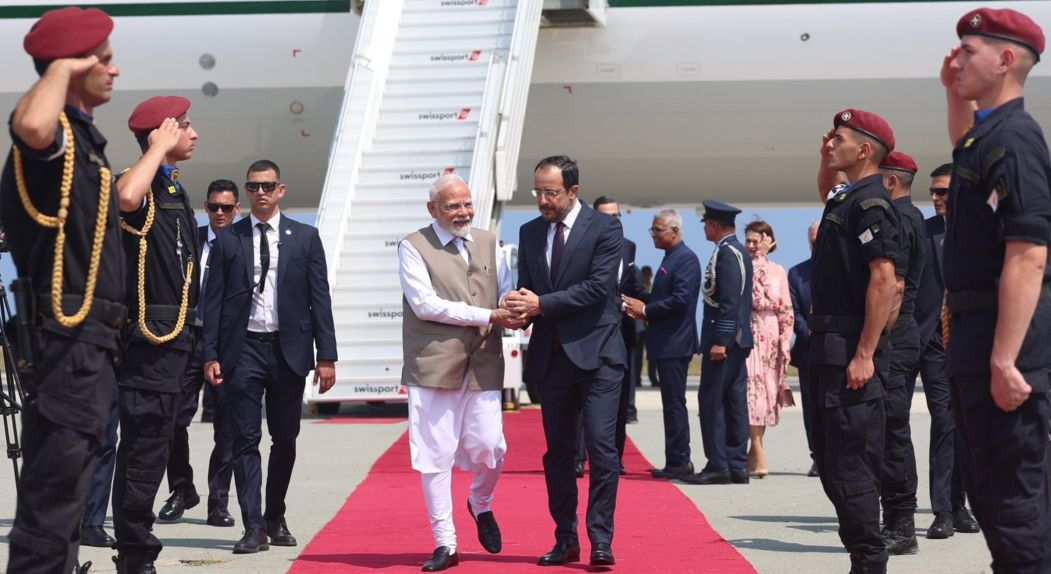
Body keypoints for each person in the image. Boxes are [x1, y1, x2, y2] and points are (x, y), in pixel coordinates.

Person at [1, 8, 126, 573]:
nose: (114, 70)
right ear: (72, 66)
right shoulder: (52, 140)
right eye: (104, 59)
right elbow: (31, 126)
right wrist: (60, 67)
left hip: (87, 344)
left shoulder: (82, 143)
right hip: (65, 342)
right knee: (51, 505)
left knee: (67, 496)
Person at [940, 8, 1051, 572]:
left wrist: (1005, 360)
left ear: (1006, 60)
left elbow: (1028, 254)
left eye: (969, 51)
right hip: (975, 338)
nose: (956, 60)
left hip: (1003, 345)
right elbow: (963, 143)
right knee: (989, 494)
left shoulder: (1016, 140)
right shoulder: (984, 138)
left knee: (1014, 505)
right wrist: (951, 90)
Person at [202, 159, 338, 553]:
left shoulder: (305, 238)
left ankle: (275, 514)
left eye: (267, 186)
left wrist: (326, 356)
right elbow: (213, 303)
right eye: (253, 186)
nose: (260, 192)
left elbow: (319, 298)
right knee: (245, 438)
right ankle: (254, 526)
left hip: (288, 349)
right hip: (243, 348)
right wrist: (210, 353)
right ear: (246, 192)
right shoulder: (229, 239)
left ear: (280, 190)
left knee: (286, 437)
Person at [506, 155, 625, 567]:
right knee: (558, 455)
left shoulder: (605, 228)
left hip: (598, 356)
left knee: (602, 449)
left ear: (573, 192)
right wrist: (517, 305)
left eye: (550, 192)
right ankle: (565, 538)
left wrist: (541, 304)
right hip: (552, 358)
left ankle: (601, 539)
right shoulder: (529, 232)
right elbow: (528, 287)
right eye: (537, 191)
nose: (542, 200)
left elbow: (598, 287)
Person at [399, 174, 520, 571]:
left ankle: (480, 502)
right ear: (432, 209)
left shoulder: (488, 242)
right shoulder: (413, 246)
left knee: (491, 446)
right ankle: (445, 543)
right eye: (453, 206)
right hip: (434, 365)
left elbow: (504, 289)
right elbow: (425, 305)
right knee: (435, 455)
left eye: (467, 204)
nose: (463, 212)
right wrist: (489, 315)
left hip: (483, 361)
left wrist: (514, 305)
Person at [110, 95, 201, 573]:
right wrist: (156, 149)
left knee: (155, 442)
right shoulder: (139, 182)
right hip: (150, 342)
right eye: (183, 126)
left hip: (175, 339)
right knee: (143, 447)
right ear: (160, 133)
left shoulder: (172, 188)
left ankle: (136, 549)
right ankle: (135, 554)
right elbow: (125, 198)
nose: (193, 133)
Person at [813, 108, 902, 573]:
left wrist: (865, 353)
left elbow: (884, 280)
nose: (831, 144)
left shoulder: (872, 205)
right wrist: (825, 155)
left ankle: (870, 559)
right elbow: (825, 190)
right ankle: (860, 555)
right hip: (826, 347)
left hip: (850, 347)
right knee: (830, 460)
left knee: (851, 464)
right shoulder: (846, 199)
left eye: (839, 139)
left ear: (864, 150)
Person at [158, 179, 241, 527]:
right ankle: (182, 488)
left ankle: (218, 502)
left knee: (227, 425)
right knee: (172, 419)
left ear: (237, 209)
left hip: (228, 342)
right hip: (189, 338)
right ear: (205, 208)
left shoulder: (245, 244)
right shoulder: (191, 239)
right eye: (213, 207)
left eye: (226, 208)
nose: (219, 213)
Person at [915, 163, 978, 539]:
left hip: (972, 343)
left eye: (942, 192)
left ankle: (959, 503)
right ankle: (941, 510)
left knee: (965, 425)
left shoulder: (985, 234)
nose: (935, 198)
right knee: (944, 420)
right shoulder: (922, 233)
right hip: (934, 342)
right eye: (933, 191)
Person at [622, 209, 700, 481]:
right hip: (666, 342)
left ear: (675, 231)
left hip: (676, 343)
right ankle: (675, 459)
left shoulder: (685, 259)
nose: (653, 235)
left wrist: (646, 310)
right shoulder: (671, 257)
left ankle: (680, 460)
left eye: (658, 230)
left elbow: (680, 300)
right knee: (670, 405)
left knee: (675, 405)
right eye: (652, 230)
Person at [681, 200, 753, 486]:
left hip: (726, 341)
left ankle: (719, 464)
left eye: (706, 225)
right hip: (736, 339)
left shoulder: (727, 253)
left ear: (713, 225)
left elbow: (729, 302)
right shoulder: (734, 250)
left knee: (712, 401)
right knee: (733, 401)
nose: (704, 230)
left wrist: (721, 340)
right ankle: (736, 464)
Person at [877, 151, 926, 555]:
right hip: (898, 334)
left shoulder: (900, 220)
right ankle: (893, 519)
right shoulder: (911, 217)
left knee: (892, 431)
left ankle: (901, 525)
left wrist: (874, 338)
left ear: (891, 182)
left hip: (893, 336)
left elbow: (894, 287)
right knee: (886, 430)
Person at [575, 195, 644, 478]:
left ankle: (615, 457)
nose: (613, 221)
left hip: (622, 333)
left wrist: (646, 306)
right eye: (607, 216)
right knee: (584, 398)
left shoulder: (629, 247)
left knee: (620, 398)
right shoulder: (584, 245)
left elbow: (633, 286)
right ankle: (578, 457)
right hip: (591, 331)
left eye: (616, 216)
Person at [742, 220, 794, 479]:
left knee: (767, 392)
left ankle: (756, 448)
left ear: (768, 241)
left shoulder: (778, 271)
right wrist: (757, 257)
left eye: (756, 240)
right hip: (749, 330)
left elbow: (786, 308)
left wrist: (785, 342)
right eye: (748, 241)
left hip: (771, 334)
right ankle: (758, 449)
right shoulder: (743, 267)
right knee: (752, 390)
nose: (752, 245)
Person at [788, 221, 820, 478]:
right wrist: (807, 331)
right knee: (811, 407)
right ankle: (817, 456)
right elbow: (793, 311)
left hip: (837, 348)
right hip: (808, 349)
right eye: (812, 241)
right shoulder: (797, 273)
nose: (816, 244)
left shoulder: (845, 267)